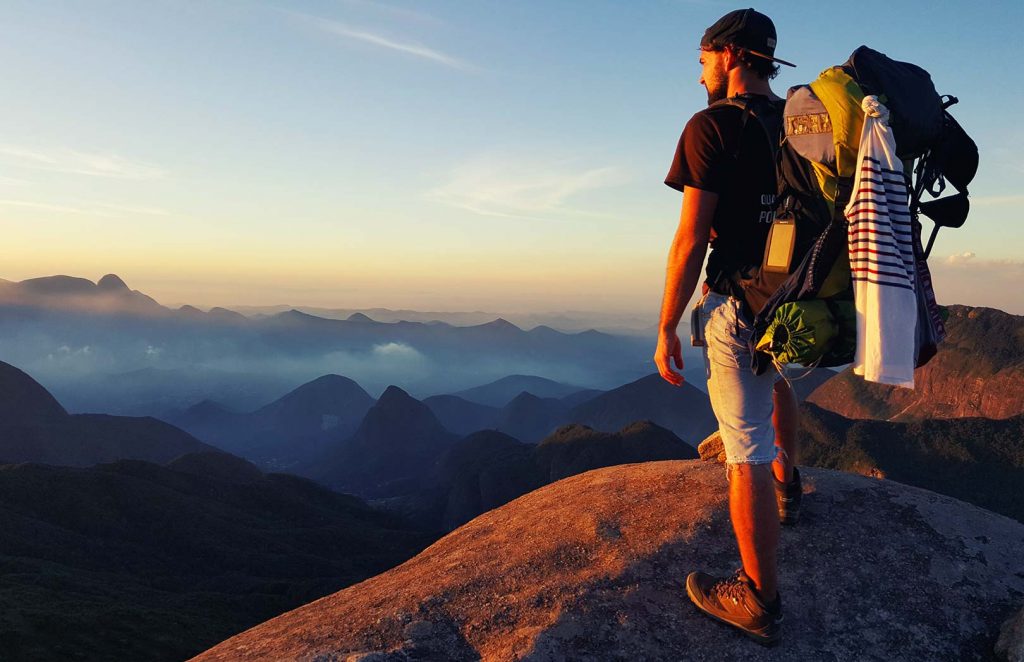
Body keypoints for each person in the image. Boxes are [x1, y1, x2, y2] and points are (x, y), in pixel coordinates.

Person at [653, 8, 802, 646]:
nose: (701, 72)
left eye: (704, 59)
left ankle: (758, 600)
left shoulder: (711, 127)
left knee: (743, 453)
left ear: (732, 55)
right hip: (797, 299)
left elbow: (690, 238)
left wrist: (665, 325)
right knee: (772, 384)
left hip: (738, 301)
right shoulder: (805, 126)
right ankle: (789, 482)